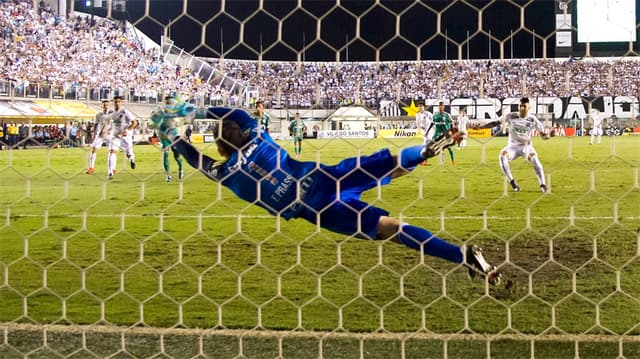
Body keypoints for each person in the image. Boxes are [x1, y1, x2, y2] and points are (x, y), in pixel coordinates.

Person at [150, 106, 502, 285]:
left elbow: (197, 161)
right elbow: (234, 113)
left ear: (221, 146)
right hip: (322, 178)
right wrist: (187, 111)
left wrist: (172, 134)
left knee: (390, 228)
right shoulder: (259, 138)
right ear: (242, 132)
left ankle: (462, 256)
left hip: (314, 210)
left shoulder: (225, 174)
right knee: (390, 164)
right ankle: (421, 153)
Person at [476, 97, 550, 193]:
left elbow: (543, 136)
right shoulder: (511, 116)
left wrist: (548, 136)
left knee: (535, 160)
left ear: (529, 107)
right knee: (502, 156)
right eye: (520, 106)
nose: (522, 108)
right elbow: (496, 122)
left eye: (524, 106)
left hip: (526, 147)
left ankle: (543, 184)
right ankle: (512, 182)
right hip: (512, 147)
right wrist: (481, 127)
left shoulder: (532, 119)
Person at [108, 96, 138, 179]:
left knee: (129, 153)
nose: (117, 103)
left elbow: (135, 123)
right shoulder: (110, 112)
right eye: (115, 102)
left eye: (119, 101)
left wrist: (127, 130)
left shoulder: (125, 112)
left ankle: (131, 159)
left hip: (126, 135)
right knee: (112, 151)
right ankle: (110, 171)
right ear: (113, 103)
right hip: (116, 135)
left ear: (121, 102)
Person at [86, 99, 113, 174]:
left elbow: (115, 124)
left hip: (109, 134)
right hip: (100, 135)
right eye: (104, 105)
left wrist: (109, 131)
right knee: (94, 149)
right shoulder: (98, 115)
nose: (105, 106)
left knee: (112, 151)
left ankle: (112, 168)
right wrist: (94, 134)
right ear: (102, 106)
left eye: (107, 105)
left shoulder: (112, 114)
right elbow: (96, 125)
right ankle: (91, 168)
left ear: (109, 106)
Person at [432, 101, 455, 165]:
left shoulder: (447, 115)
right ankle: (442, 157)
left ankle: (453, 161)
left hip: (445, 134)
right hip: (437, 134)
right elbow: (433, 123)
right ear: (438, 106)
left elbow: (452, 123)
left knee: (449, 148)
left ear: (443, 107)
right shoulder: (435, 115)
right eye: (439, 106)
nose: (440, 107)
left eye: (442, 106)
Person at [415, 101, 433, 166]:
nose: (420, 107)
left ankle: (424, 161)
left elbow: (433, 122)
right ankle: (424, 160)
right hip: (424, 131)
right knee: (425, 146)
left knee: (425, 146)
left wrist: (428, 131)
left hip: (429, 131)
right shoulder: (417, 114)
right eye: (419, 106)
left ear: (424, 107)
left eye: (421, 106)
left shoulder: (428, 114)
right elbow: (417, 122)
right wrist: (419, 129)